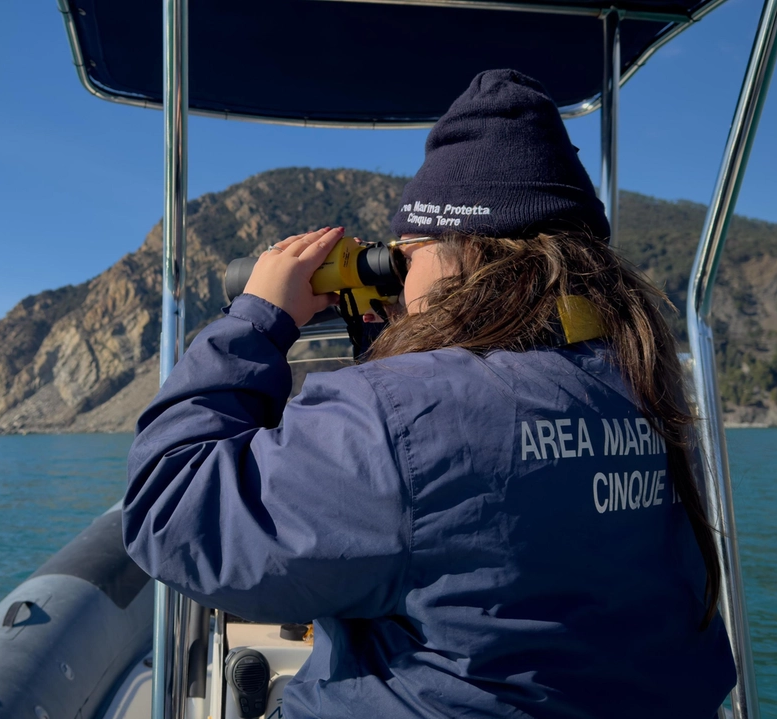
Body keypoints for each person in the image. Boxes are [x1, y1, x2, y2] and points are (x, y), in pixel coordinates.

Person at [123, 69, 736, 719]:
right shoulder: (651, 389)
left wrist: (255, 318)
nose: (402, 280)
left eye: (406, 255)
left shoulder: (404, 414)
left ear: (456, 251)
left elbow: (172, 510)